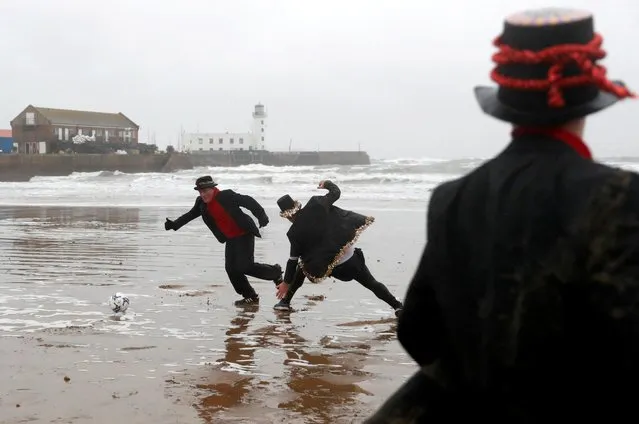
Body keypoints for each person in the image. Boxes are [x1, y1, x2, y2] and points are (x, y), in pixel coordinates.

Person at [366, 7, 638, 423]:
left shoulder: (452, 197)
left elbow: (417, 330)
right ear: (590, 97)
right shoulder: (619, 196)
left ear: (506, 103)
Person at [274, 180, 403, 316]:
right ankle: (397, 306)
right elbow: (336, 193)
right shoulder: (317, 203)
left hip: (326, 267)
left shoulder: (293, 233)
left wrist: (286, 283)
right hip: (348, 261)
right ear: (297, 206)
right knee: (371, 283)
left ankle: (285, 302)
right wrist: (327, 184)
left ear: (287, 216)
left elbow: (292, 260)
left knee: (301, 268)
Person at [164, 175, 283, 306]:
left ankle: (275, 272)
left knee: (245, 266)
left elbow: (248, 201)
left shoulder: (226, 196)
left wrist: (261, 216)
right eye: (200, 192)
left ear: (213, 188)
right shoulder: (201, 203)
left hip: (244, 233)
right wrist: (174, 225)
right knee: (231, 269)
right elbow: (190, 215)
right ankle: (250, 295)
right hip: (230, 238)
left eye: (205, 191)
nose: (203, 194)